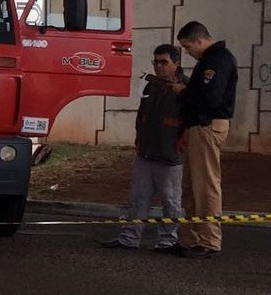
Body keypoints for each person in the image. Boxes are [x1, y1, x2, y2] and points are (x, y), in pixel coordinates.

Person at [100, 44, 187, 251]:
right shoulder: (151, 86)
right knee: (138, 198)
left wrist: (178, 146)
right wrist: (139, 141)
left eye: (164, 62)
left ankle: (168, 241)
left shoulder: (186, 90)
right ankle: (129, 238)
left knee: (171, 202)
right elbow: (142, 117)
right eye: (155, 62)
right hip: (146, 153)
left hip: (170, 156)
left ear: (177, 63)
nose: (158, 66)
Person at [170, 21, 237, 260]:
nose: (188, 52)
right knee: (191, 186)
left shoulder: (217, 60)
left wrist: (184, 93)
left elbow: (210, 98)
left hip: (208, 125)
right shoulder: (208, 61)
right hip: (197, 125)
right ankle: (190, 239)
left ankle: (209, 240)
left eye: (188, 47)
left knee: (206, 185)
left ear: (199, 40)